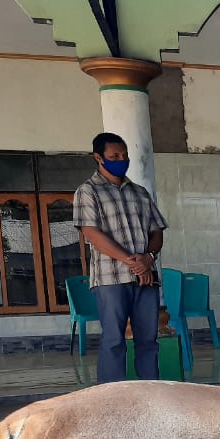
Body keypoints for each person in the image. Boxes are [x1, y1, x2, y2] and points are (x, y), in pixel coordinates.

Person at [74, 132, 167, 384]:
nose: (121, 160)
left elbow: (156, 231)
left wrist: (148, 257)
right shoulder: (88, 191)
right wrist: (134, 262)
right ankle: (111, 400)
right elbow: (91, 233)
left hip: (145, 277)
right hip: (110, 278)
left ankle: (151, 395)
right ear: (98, 157)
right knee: (114, 339)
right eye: (115, 156)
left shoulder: (140, 193)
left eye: (124, 155)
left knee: (148, 339)